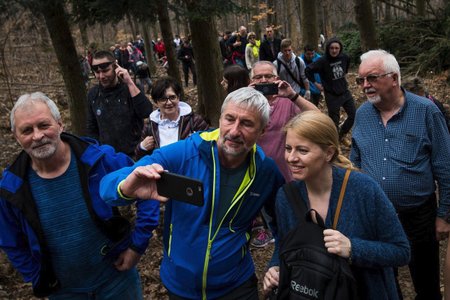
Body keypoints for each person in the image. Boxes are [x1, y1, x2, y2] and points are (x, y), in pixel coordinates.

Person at [100, 87, 285, 299]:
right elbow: (106, 187)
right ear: (220, 118)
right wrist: (125, 187)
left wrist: (277, 262)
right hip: (181, 286)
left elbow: (285, 226)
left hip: (236, 285)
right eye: (229, 119)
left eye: (247, 123)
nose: (234, 131)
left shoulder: (265, 171)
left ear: (262, 130)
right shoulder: (185, 154)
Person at [0, 92, 159, 299]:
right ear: (17, 137)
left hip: (116, 281)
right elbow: (10, 240)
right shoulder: (12, 187)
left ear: (60, 124)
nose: (37, 136)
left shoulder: (97, 159)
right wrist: (35, 275)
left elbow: (145, 183)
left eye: (44, 125)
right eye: (27, 130)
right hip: (64, 291)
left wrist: (137, 245)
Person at [263, 111, 410, 299]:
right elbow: (284, 244)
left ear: (329, 152)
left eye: (302, 150)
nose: (291, 158)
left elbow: (400, 251)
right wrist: (274, 267)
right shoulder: (286, 196)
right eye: (288, 148)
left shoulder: (363, 189)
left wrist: (353, 249)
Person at [351, 49, 450, 300]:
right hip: (376, 215)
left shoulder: (426, 111)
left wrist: (444, 215)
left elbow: (445, 166)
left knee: (425, 281)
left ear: (394, 78)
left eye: (372, 78)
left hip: (418, 214)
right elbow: (355, 160)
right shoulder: (362, 114)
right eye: (360, 80)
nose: (365, 85)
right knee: (383, 282)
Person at [248, 61, 318, 247]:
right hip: (258, 173)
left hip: (288, 173)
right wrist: (246, 96)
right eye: (258, 77)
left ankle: (302, 247)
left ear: (277, 79)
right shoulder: (247, 104)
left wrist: (293, 95)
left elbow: (318, 117)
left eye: (268, 76)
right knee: (269, 213)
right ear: (251, 80)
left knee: (294, 214)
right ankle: (273, 237)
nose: (264, 80)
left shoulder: (287, 102)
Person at [86, 50, 153, 158]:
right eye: (97, 72)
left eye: (105, 70)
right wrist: (97, 152)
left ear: (115, 67)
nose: (101, 76)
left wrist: (129, 83)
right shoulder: (93, 95)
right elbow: (91, 127)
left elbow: (146, 112)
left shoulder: (130, 88)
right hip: (109, 157)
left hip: (135, 155)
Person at [135, 76, 209, 159]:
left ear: (178, 97)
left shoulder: (194, 121)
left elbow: (210, 148)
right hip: (162, 171)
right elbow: (139, 158)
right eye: (163, 99)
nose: (169, 102)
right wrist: (142, 147)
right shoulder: (150, 126)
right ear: (156, 102)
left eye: (172, 97)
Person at [305, 37, 355, 146]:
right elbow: (308, 70)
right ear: (328, 49)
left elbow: (345, 69)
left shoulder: (344, 57)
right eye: (332, 48)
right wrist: (316, 84)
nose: (334, 50)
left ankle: (341, 135)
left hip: (344, 92)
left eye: (336, 48)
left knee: (353, 115)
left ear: (340, 49)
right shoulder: (323, 61)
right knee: (334, 121)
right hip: (331, 95)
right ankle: (335, 144)